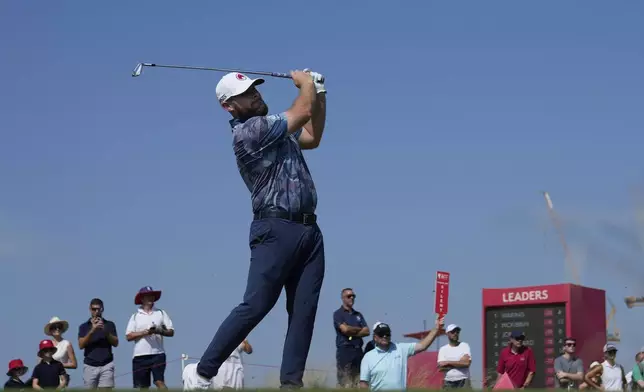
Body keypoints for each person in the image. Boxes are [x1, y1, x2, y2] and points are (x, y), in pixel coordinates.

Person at [190, 68, 327, 390]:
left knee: (304, 311)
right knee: (256, 305)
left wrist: (320, 93)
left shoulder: (277, 131)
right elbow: (302, 111)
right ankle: (201, 374)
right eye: (246, 94)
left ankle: (291, 383)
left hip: (309, 230)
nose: (256, 95)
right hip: (275, 228)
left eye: (255, 89)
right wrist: (306, 85)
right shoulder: (250, 132)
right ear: (230, 106)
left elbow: (312, 136)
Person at [359, 317, 444, 391]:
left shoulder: (401, 349)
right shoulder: (368, 357)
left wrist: (436, 329)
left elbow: (423, 346)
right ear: (375, 337)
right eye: (381, 334)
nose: (385, 336)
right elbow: (363, 383)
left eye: (387, 334)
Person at [125, 286, 175, 389]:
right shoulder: (135, 316)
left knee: (159, 381)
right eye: (147, 296)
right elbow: (129, 336)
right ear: (142, 299)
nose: (150, 298)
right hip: (140, 355)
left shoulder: (161, 313)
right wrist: (145, 333)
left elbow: (171, 331)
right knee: (143, 387)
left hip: (158, 354)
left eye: (152, 296)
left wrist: (158, 330)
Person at [78, 298, 118, 389]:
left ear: (102, 309)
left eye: (98, 309)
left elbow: (116, 343)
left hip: (106, 364)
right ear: (90, 309)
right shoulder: (84, 326)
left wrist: (105, 331)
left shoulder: (109, 324)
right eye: (93, 309)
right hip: (90, 365)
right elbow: (81, 345)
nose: (96, 311)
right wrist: (92, 330)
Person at [333, 288, 369, 388]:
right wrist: (358, 330)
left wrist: (351, 331)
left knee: (358, 380)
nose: (352, 298)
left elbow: (367, 331)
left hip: (358, 350)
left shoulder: (358, 315)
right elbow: (344, 330)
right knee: (345, 381)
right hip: (345, 349)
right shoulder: (338, 314)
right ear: (343, 298)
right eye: (349, 296)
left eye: (353, 296)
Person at [44, 316, 77, 386]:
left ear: (62, 329)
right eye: (54, 327)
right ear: (50, 330)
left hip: (62, 379)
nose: (57, 329)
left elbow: (74, 364)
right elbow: (40, 364)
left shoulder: (67, 344)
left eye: (59, 326)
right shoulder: (46, 345)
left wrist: (59, 365)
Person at [437, 324, 472, 388]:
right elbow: (441, 368)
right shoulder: (443, 349)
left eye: (457, 332)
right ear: (447, 334)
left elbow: (466, 363)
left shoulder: (464, 345)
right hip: (448, 382)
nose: (455, 333)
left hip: (464, 380)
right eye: (453, 332)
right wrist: (459, 362)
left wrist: (448, 362)